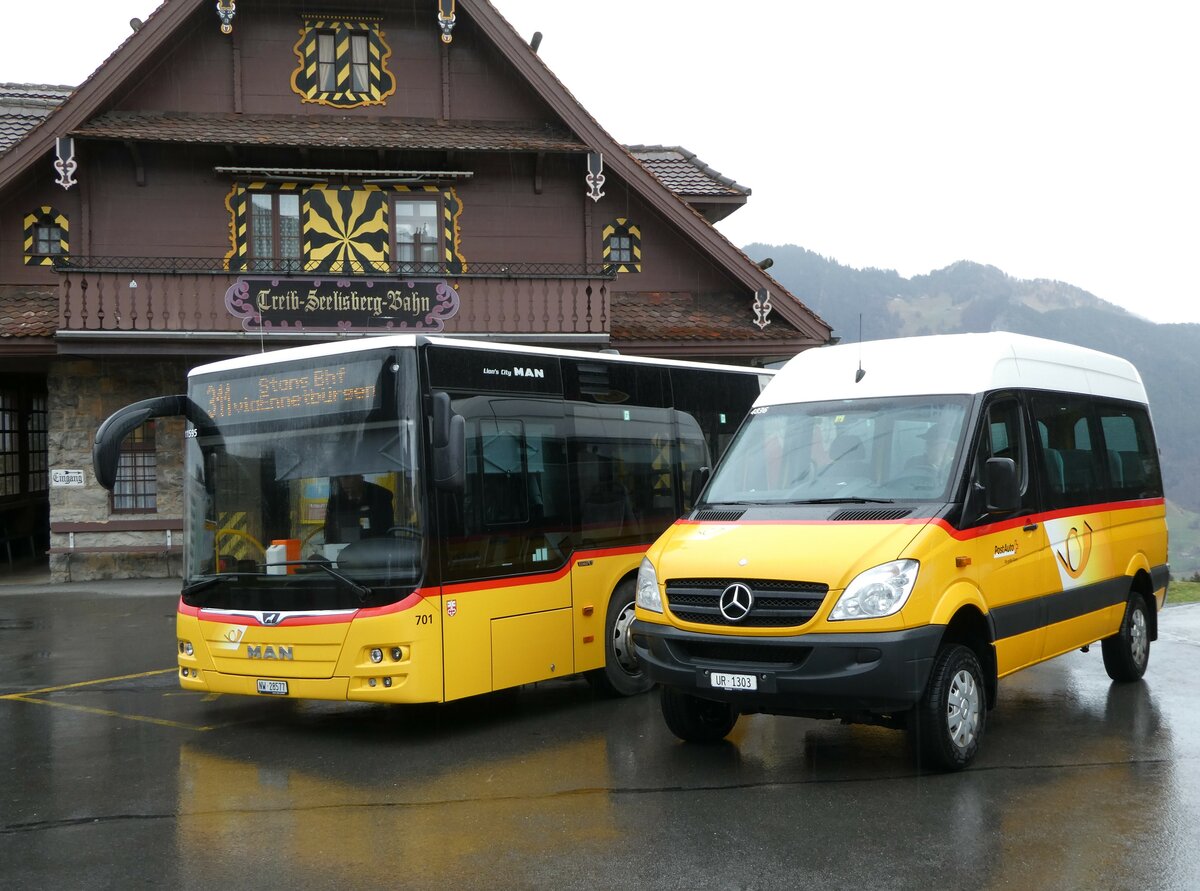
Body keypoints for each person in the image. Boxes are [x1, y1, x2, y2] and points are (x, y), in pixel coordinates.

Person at [324, 474, 393, 542]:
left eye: (347, 477)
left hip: (375, 547)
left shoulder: (380, 496)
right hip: (345, 548)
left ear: (360, 477)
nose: (344, 482)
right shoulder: (336, 500)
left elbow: (387, 532)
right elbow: (330, 532)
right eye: (340, 478)